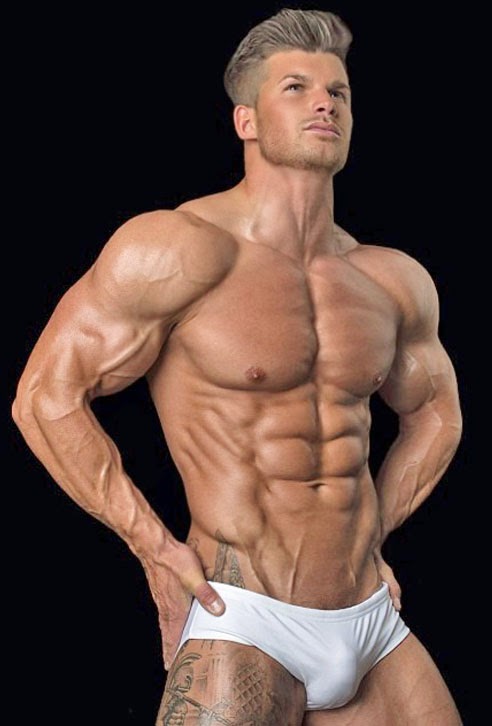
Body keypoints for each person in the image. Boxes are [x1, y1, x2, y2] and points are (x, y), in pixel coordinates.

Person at [12, 8, 463, 725]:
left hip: (371, 620)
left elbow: (437, 413)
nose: (325, 103)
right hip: (244, 616)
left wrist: (373, 532)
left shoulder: (390, 278)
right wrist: (154, 548)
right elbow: (45, 397)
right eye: (296, 87)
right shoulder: (178, 249)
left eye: (338, 92)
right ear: (245, 121)